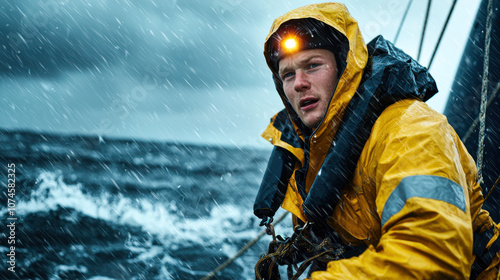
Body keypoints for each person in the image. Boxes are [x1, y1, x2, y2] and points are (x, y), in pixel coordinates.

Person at [253, 2, 500, 279]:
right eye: (288, 74)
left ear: (343, 68)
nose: (299, 83)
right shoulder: (311, 153)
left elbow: (433, 256)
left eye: (312, 66)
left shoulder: (411, 131)